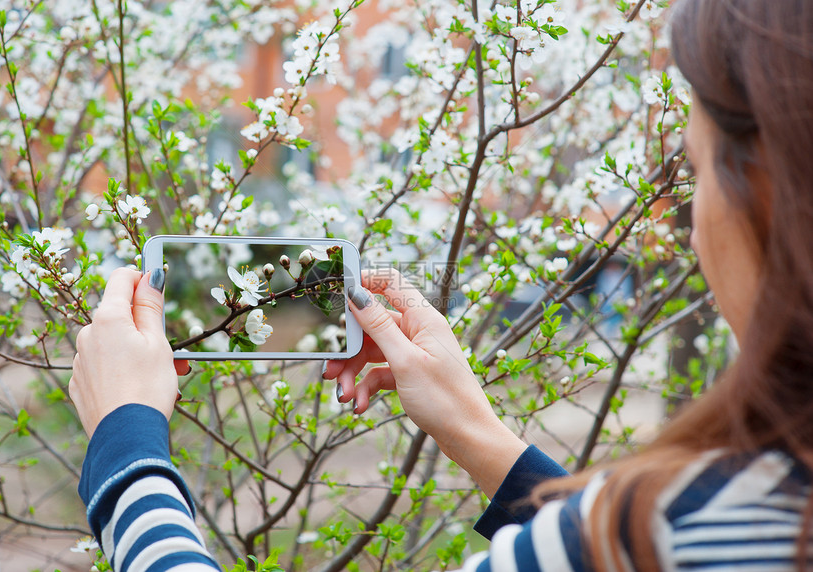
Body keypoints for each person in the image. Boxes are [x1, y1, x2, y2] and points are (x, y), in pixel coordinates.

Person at [69, 0, 813, 569]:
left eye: (695, 168)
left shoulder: (686, 524)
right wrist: (473, 429)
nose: (691, 222)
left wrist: (127, 450)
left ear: (769, 195)